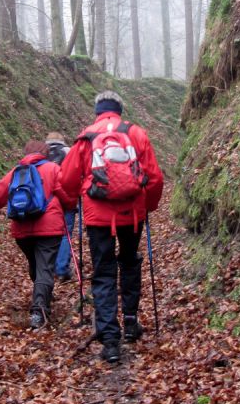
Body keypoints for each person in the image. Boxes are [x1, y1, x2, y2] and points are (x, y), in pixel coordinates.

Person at [59, 90, 163, 363]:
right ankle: (130, 322)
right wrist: (147, 207)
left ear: (97, 110)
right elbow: (154, 177)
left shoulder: (86, 137)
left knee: (104, 272)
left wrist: (73, 201)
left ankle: (110, 342)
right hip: (132, 213)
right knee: (129, 261)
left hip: (97, 217)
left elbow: (67, 181)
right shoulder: (136, 133)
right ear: (120, 109)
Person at [0, 139, 73, 330]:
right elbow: (67, 196)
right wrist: (70, 205)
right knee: (44, 268)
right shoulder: (53, 169)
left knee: (36, 265)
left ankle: (42, 295)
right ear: (45, 153)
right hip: (49, 228)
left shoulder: (16, 172)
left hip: (22, 229)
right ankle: (39, 311)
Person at [45, 131, 77, 282]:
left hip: (46, 200)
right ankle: (62, 269)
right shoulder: (69, 152)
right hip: (66, 198)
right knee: (65, 233)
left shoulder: (42, 153)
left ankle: (47, 268)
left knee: (47, 234)